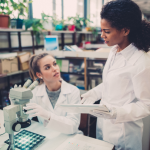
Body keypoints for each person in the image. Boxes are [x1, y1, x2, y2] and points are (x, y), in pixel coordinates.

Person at [80, 0, 150, 149]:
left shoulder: (141, 62)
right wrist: (92, 94)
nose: (102, 35)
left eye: (107, 31)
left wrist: (115, 113)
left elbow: (146, 105)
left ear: (125, 31)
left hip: (124, 134)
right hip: (104, 126)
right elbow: (111, 83)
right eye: (102, 30)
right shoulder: (114, 50)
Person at [23, 53, 81, 134]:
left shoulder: (73, 91)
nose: (55, 69)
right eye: (47, 67)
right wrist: (16, 104)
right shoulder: (35, 92)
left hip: (68, 138)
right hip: (47, 137)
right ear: (39, 74)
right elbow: (25, 118)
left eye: (54, 64)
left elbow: (73, 127)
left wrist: (48, 116)